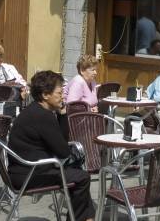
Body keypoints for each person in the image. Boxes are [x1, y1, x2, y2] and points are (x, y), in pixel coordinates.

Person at [8, 71, 95, 221]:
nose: (63, 96)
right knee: (82, 178)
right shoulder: (43, 116)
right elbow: (63, 151)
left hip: (23, 170)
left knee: (77, 175)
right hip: (29, 174)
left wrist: (62, 113)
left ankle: (86, 219)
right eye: (59, 92)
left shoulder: (34, 110)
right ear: (45, 95)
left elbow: (61, 143)